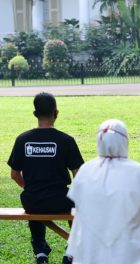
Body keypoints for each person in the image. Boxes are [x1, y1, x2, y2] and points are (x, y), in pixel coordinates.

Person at [66, 119, 140, 264]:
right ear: (124, 142)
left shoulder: (86, 170)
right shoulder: (136, 171)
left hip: (90, 251)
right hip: (130, 251)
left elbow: (79, 208)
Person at [7, 92, 84, 264]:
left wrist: (32, 187)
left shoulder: (22, 140)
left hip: (32, 202)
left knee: (32, 197)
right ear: (56, 113)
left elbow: (14, 174)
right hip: (61, 200)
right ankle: (71, 251)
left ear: (35, 114)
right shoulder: (66, 140)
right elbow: (78, 175)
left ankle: (41, 252)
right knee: (78, 201)